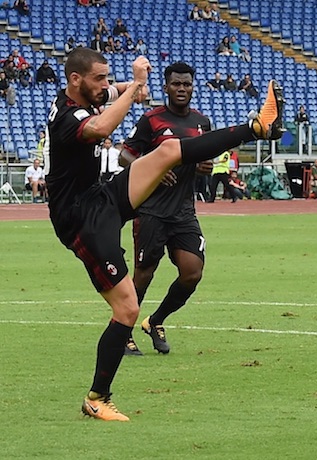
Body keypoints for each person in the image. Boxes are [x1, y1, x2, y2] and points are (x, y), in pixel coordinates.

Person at [45, 47, 284, 421]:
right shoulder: (67, 116)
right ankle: (97, 398)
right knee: (126, 308)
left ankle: (256, 128)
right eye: (100, 79)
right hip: (80, 220)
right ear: (75, 80)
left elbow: (117, 93)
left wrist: (127, 88)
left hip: (99, 197)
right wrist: (137, 84)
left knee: (169, 148)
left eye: (108, 78)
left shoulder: (86, 92)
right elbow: (102, 128)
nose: (106, 85)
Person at [119, 62, 215, 356]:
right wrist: (153, 171)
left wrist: (204, 167)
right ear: (166, 87)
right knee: (144, 273)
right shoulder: (152, 120)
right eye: (176, 84)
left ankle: (156, 320)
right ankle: (123, 332)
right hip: (152, 210)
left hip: (184, 211)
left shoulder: (202, 122)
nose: (182, 89)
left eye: (187, 84)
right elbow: (125, 156)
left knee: (192, 273)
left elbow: (203, 162)